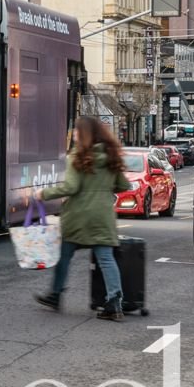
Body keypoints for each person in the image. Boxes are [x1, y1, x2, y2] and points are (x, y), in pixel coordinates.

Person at [30, 116, 127, 321]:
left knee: (64, 256)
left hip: (78, 216)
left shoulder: (78, 156)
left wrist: (43, 194)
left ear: (84, 134)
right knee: (106, 259)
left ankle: (55, 294)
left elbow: (71, 187)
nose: (73, 133)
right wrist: (103, 189)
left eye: (76, 130)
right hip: (102, 216)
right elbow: (123, 185)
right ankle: (114, 303)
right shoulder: (111, 156)